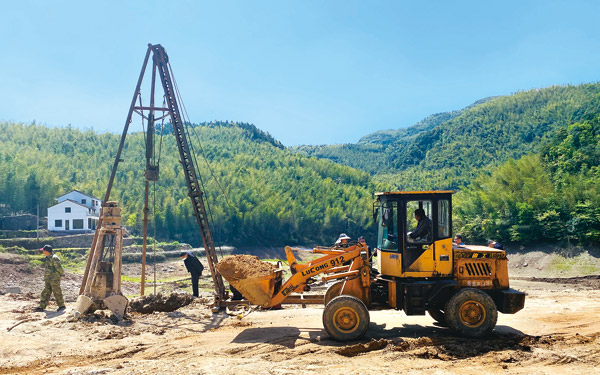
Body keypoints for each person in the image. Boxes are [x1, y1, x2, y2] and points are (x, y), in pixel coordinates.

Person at [35, 245, 65, 312]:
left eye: (43, 251)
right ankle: (42, 306)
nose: (42, 252)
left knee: (57, 292)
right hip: (48, 278)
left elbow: (59, 268)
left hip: (54, 279)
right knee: (46, 292)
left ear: (46, 251)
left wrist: (62, 274)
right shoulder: (48, 257)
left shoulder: (54, 258)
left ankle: (61, 306)